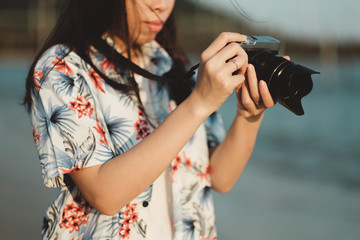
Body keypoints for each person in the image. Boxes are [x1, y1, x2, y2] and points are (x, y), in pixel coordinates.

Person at [24, 0, 276, 239]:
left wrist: (248, 115)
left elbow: (219, 177)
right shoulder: (61, 68)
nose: (161, 5)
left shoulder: (174, 67)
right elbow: (105, 194)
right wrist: (199, 102)